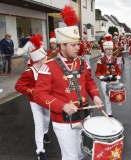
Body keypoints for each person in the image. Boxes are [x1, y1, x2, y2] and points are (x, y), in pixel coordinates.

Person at [33, 5, 103, 159]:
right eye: (73, 45)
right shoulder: (48, 66)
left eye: (78, 44)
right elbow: (39, 95)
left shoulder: (82, 62)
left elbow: (89, 81)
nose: (78, 48)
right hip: (63, 122)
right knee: (70, 156)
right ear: (62, 46)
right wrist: (62, 105)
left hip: (85, 116)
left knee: (83, 152)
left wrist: (96, 95)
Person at [15, 34, 51, 160]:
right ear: (40, 59)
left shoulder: (47, 69)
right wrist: (32, 90)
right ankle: (40, 151)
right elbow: (18, 86)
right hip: (35, 101)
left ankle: (45, 133)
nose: (47, 59)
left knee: (47, 120)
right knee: (38, 124)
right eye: (45, 57)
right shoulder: (29, 72)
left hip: (46, 100)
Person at [95, 33, 121, 117]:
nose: (110, 51)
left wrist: (118, 75)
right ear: (105, 50)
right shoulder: (101, 60)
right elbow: (97, 72)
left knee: (112, 97)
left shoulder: (115, 59)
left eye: (111, 49)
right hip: (105, 82)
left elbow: (118, 70)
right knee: (107, 97)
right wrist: (100, 76)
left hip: (113, 81)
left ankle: (110, 106)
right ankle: (109, 113)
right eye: (108, 49)